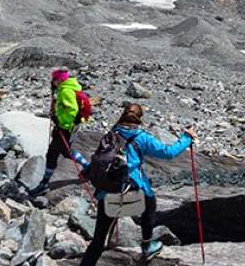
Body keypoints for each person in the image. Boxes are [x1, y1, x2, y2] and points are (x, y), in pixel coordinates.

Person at [80, 104, 196, 266]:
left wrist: (87, 173)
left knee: (98, 241)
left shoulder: (110, 134)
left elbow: (100, 159)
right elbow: (168, 152)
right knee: (150, 203)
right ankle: (147, 246)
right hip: (129, 189)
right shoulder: (141, 137)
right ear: (139, 118)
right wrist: (187, 138)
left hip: (106, 192)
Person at [31, 68, 85, 194]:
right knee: (66, 151)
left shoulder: (66, 91)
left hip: (65, 127)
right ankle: (88, 166)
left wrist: (59, 120)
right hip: (68, 126)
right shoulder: (68, 88)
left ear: (59, 80)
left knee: (52, 154)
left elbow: (72, 110)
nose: (52, 81)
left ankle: (44, 183)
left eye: (54, 79)